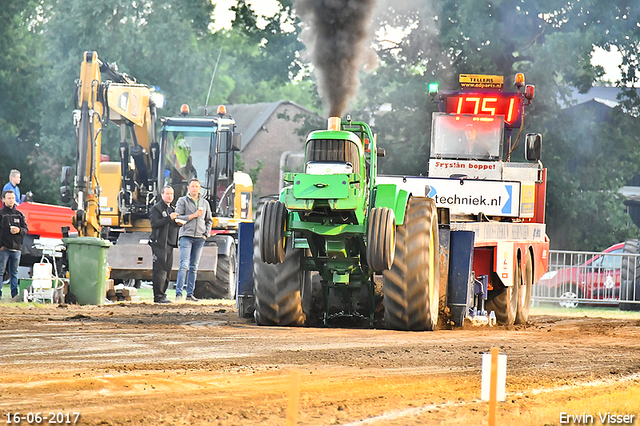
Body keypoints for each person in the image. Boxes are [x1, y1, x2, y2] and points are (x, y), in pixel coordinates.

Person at [174, 178, 212, 302]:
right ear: (188, 188)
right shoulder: (182, 201)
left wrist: (205, 234)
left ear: (200, 188)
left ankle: (190, 294)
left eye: (196, 186)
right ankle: (178, 294)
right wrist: (193, 216)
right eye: (192, 186)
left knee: (194, 267)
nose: (194, 188)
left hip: (199, 238)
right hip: (186, 236)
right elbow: (178, 217)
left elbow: (209, 220)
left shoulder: (205, 203)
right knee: (184, 265)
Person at [149, 185, 181, 304]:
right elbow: (155, 223)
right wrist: (169, 218)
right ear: (162, 195)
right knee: (160, 269)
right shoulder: (156, 208)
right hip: (159, 243)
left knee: (168, 269)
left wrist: (177, 223)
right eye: (167, 194)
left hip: (170, 243)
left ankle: (164, 294)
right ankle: (158, 295)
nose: (169, 196)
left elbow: (170, 224)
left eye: (171, 194)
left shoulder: (172, 209)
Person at [0, 190, 28, 300]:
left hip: (16, 249)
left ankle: (14, 294)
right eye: (9, 198)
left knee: (14, 273)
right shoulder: (1, 214)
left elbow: (26, 229)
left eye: (13, 198)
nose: (11, 200)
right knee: (1, 272)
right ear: (3, 200)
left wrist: (19, 230)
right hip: (4, 248)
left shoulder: (19, 215)